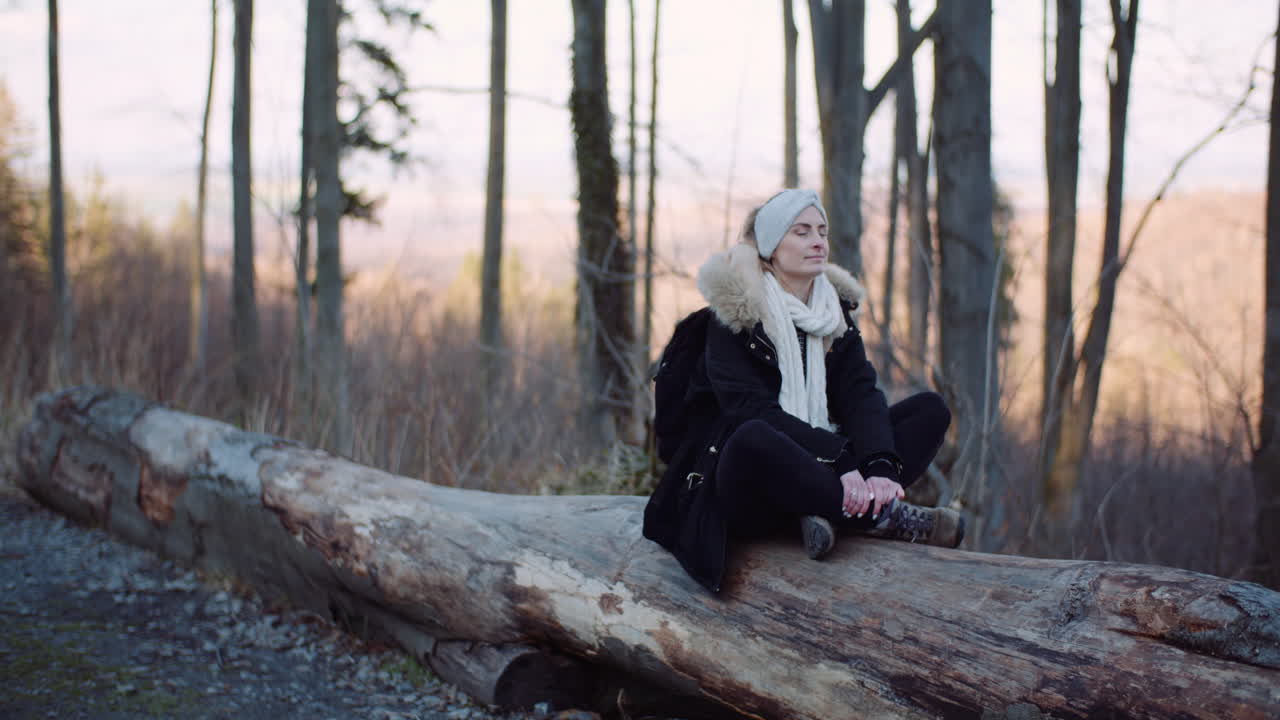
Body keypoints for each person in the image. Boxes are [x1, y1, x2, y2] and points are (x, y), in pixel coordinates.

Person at [642, 188, 963, 593]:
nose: (818, 242)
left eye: (822, 232)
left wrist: (880, 465)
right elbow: (751, 411)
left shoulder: (832, 315)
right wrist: (841, 461)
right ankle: (883, 518)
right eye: (802, 232)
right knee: (752, 438)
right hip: (745, 484)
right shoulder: (735, 317)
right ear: (773, 247)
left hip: (822, 466)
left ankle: (826, 512)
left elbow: (861, 396)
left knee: (929, 411)